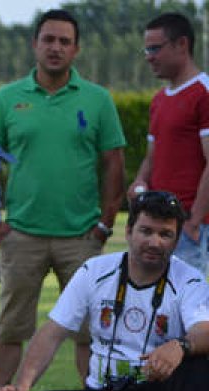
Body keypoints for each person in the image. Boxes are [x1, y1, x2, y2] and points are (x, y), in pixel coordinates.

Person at [0, 191, 209, 391]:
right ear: (128, 231)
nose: (155, 242)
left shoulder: (189, 280)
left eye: (165, 235)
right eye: (146, 231)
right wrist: (22, 388)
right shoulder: (95, 271)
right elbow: (53, 332)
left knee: (197, 365)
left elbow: (204, 330)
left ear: (175, 242)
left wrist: (180, 346)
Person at [0, 9, 126, 391]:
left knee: (88, 332)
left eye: (64, 41)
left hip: (81, 235)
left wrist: (106, 224)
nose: (55, 47)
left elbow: (114, 163)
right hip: (21, 235)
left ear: (76, 49)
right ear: (35, 44)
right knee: (11, 327)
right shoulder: (7, 99)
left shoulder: (97, 100)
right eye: (48, 39)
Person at [129, 12, 209, 277]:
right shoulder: (159, 99)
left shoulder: (203, 92)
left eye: (155, 48)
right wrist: (139, 182)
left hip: (188, 228)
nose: (149, 56)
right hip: (157, 225)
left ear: (182, 45)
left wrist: (194, 221)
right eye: (146, 49)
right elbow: (152, 158)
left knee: (185, 310)